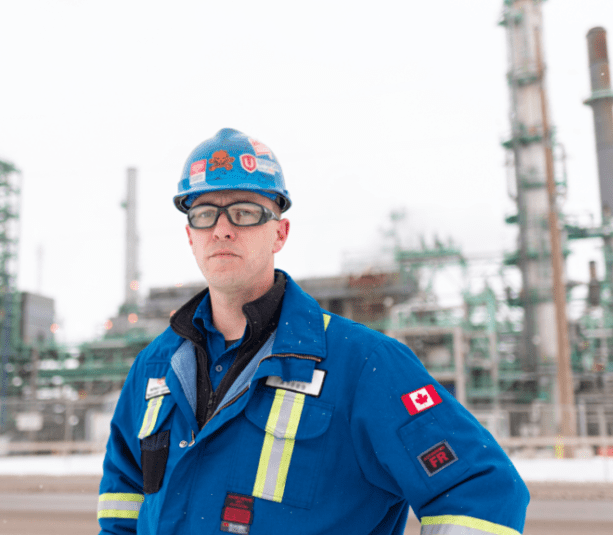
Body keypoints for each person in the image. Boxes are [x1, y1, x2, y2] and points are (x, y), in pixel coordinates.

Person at [97, 128, 529, 535]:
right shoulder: (155, 367)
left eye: (244, 212)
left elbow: (481, 492)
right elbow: (121, 507)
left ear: (279, 232)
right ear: (190, 236)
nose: (222, 228)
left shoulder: (361, 365)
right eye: (205, 213)